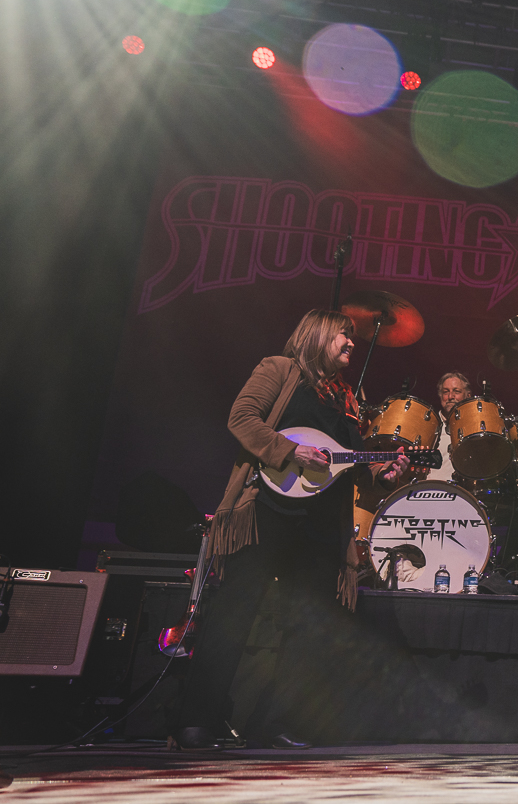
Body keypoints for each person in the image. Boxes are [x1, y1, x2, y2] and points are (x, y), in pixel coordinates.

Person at [175, 310, 409, 750]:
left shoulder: (349, 400)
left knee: (308, 627)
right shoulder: (279, 370)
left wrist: (383, 475)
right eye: (345, 334)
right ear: (318, 333)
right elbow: (242, 418)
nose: (351, 343)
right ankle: (197, 720)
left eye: (353, 338)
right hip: (265, 510)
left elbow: (349, 465)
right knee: (233, 614)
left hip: (322, 526)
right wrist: (291, 451)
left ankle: (274, 722)